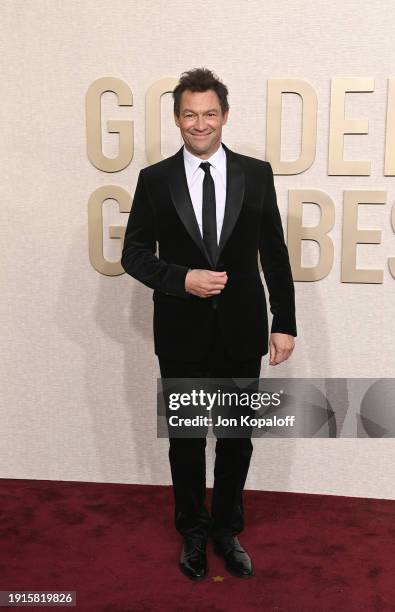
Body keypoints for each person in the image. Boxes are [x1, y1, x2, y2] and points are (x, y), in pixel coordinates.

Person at [121, 68, 297, 581]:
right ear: (177, 118)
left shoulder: (255, 173)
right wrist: (181, 279)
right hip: (181, 333)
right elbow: (133, 254)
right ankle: (192, 534)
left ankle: (227, 530)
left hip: (243, 329)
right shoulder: (154, 180)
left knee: (238, 438)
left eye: (210, 113)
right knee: (187, 439)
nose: (201, 124)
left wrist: (284, 322)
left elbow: (275, 254)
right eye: (190, 114)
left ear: (225, 115)